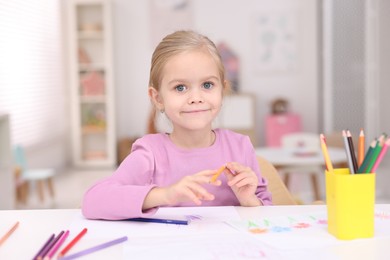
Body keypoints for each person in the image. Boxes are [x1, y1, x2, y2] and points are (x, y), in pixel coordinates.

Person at [82, 30, 272, 220]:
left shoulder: (240, 147)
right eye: (180, 88)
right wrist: (165, 194)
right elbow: (93, 202)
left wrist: (249, 201)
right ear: (157, 98)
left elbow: (268, 212)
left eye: (207, 85)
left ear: (222, 89)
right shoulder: (150, 154)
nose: (196, 98)